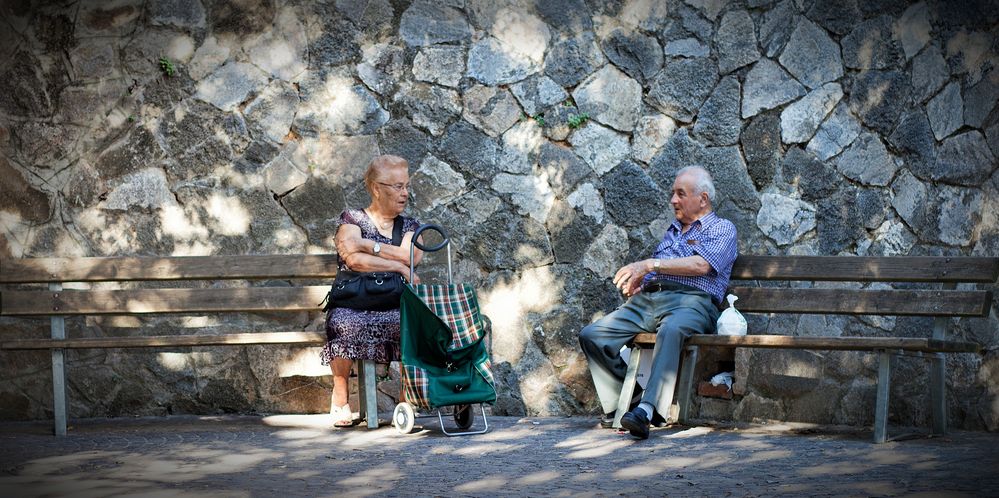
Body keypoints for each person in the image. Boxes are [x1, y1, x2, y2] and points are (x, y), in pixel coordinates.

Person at [578, 166, 738, 440]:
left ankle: (647, 411)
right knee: (592, 335)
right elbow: (659, 270)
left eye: (680, 194)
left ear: (703, 199)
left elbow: (701, 265)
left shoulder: (723, 228)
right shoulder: (673, 231)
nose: (673, 200)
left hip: (693, 303)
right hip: (651, 300)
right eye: (673, 194)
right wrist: (641, 283)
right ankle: (630, 402)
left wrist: (651, 264)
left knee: (672, 330)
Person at [321, 154, 423, 428]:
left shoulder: (411, 225)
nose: (404, 193)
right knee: (343, 322)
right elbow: (353, 261)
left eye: (406, 186)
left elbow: (413, 256)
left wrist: (368, 245)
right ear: (377, 188)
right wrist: (398, 266)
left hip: (395, 303)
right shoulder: (351, 218)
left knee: (411, 323)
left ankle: (406, 401)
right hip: (354, 302)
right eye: (397, 186)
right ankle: (340, 395)